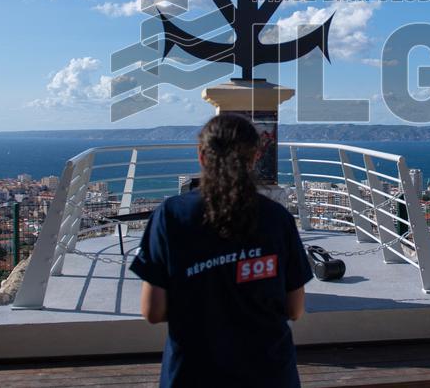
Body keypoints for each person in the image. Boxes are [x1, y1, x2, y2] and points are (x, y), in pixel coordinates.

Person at [130, 114, 314, 387]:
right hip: (270, 374)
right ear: (255, 157)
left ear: (201, 156)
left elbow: (153, 311)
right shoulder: (277, 219)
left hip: (193, 374)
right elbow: (295, 309)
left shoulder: (171, 216)